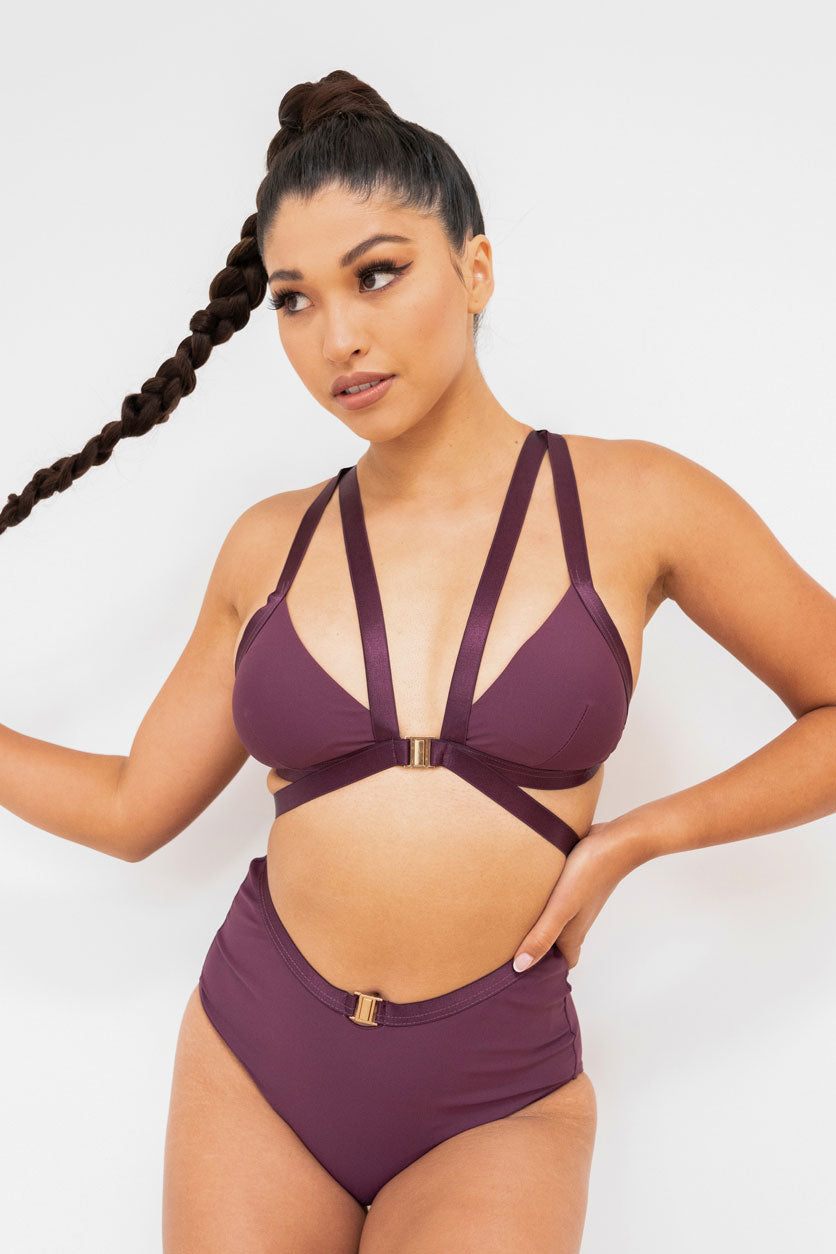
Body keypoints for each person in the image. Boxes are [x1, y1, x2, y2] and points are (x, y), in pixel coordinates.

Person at [3, 69, 836, 1254]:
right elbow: (135, 806)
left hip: (494, 1093)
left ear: (475, 269)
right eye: (294, 300)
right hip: (257, 1061)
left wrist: (636, 837)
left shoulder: (638, 501)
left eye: (377, 274)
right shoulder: (267, 544)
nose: (337, 337)